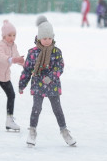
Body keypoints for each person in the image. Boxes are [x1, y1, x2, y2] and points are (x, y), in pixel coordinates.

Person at [18, 16, 76, 147]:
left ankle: (64, 131)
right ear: (39, 38)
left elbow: (60, 67)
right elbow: (27, 70)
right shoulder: (32, 53)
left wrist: (51, 77)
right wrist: (22, 84)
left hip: (53, 85)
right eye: (45, 38)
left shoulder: (56, 52)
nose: (48, 41)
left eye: (50, 38)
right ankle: (32, 131)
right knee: (36, 108)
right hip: (38, 84)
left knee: (57, 109)